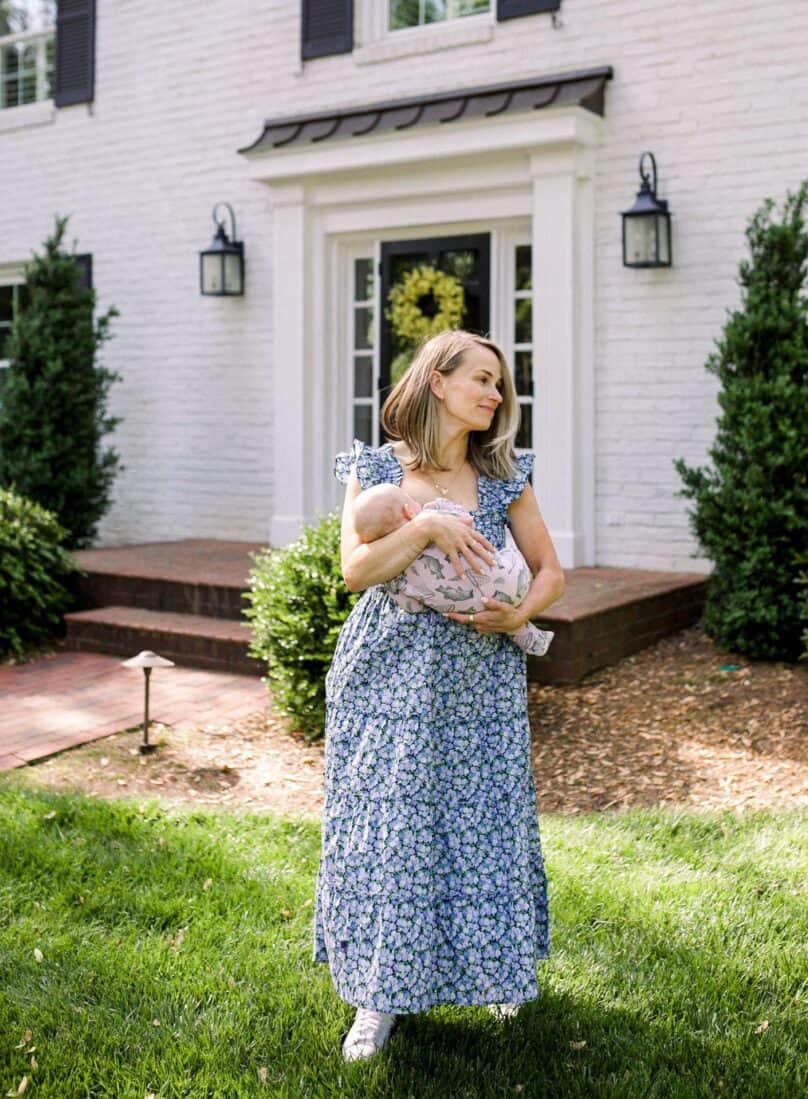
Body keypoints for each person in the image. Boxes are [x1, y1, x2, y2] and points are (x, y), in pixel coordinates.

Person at [312, 328, 566, 1062]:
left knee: (483, 821)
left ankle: (495, 967)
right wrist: (423, 527)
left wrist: (519, 615)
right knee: (392, 827)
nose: (495, 394)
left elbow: (552, 572)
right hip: (388, 672)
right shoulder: (376, 469)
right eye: (481, 378)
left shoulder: (503, 476)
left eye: (499, 384)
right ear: (437, 381)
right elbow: (355, 571)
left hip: (481, 674)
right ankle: (378, 997)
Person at [351, 482, 555, 656]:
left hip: (469, 609)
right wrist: (435, 514)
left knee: (482, 607)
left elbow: (411, 605)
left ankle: (526, 634)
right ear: (408, 511)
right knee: (504, 563)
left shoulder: (398, 575)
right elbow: (465, 519)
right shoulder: (435, 513)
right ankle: (522, 628)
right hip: (510, 578)